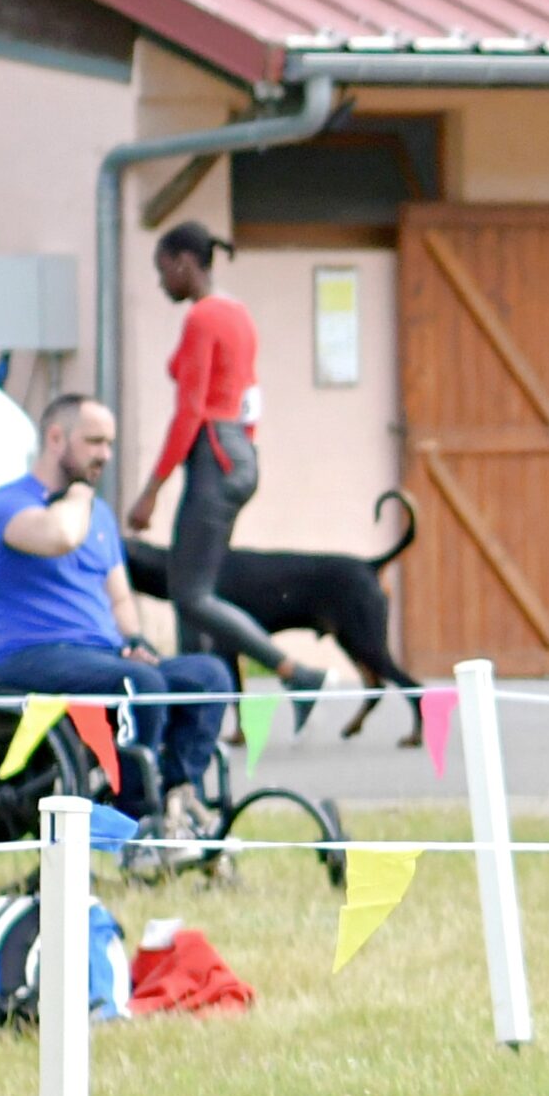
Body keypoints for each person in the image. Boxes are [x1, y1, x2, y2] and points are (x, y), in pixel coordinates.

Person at [0, 394, 232, 842]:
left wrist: (136, 641)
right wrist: (78, 495)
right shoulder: (4, 507)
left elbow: (120, 598)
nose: (105, 455)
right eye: (94, 442)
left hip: (104, 656)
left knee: (208, 675)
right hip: (32, 655)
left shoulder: (99, 515)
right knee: (140, 684)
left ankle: (178, 797)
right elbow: (61, 536)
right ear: (56, 439)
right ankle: (135, 821)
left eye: (109, 443)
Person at [123, 220, 324, 725]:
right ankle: (194, 710)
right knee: (190, 592)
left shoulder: (202, 318)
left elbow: (189, 412)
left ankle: (295, 673)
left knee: (190, 594)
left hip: (215, 455)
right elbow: (248, 398)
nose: (161, 282)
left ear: (184, 263)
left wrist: (151, 490)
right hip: (236, 452)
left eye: (163, 270)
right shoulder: (237, 313)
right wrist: (240, 453)